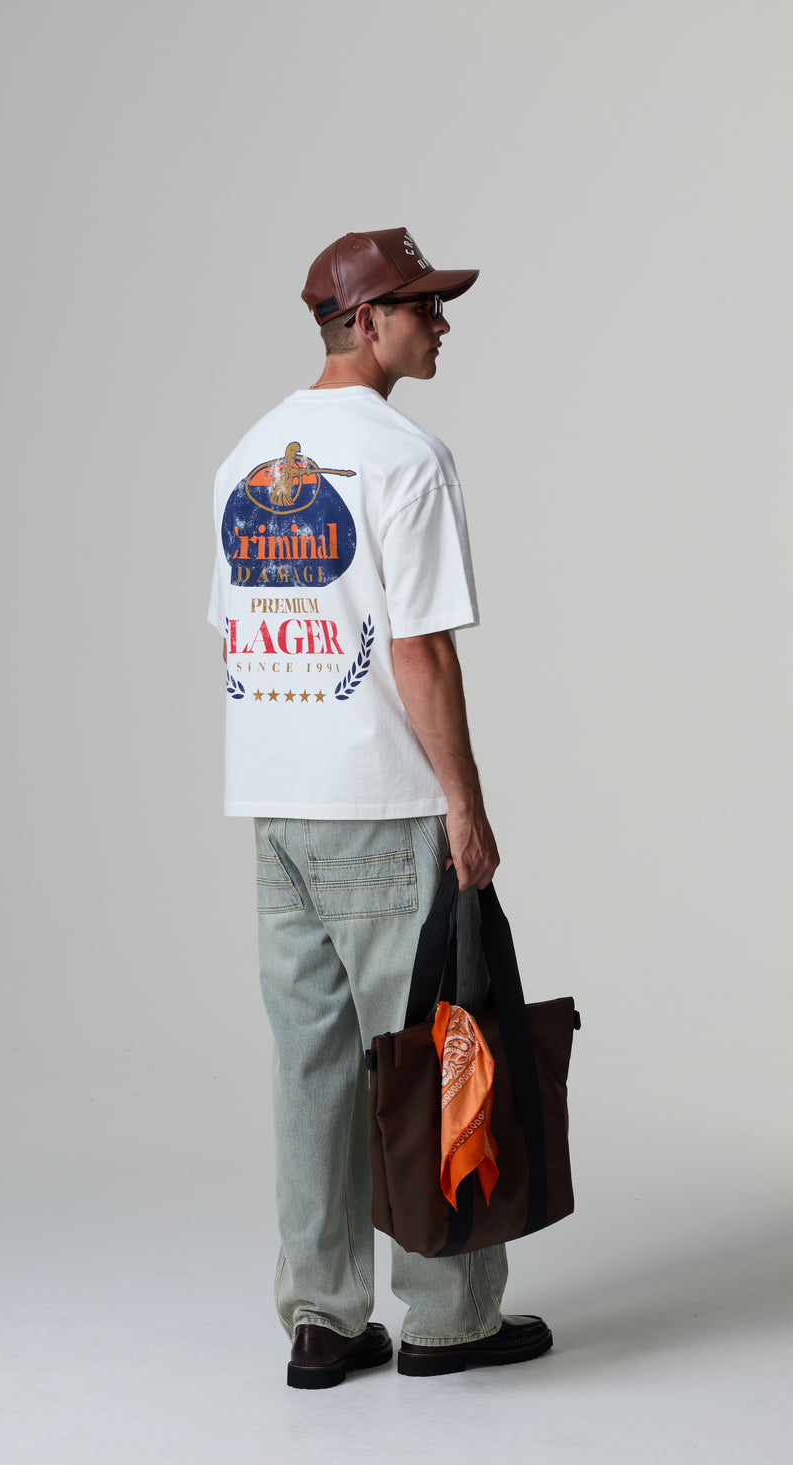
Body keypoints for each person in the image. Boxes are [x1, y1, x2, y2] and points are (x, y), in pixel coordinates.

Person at [208, 227, 552, 1387]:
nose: (442, 324)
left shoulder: (246, 459)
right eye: (424, 307)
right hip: (378, 803)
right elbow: (420, 655)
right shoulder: (402, 456)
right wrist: (465, 804)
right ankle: (450, 1316)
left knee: (310, 1063)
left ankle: (321, 1316)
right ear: (369, 323)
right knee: (432, 1051)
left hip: (275, 801)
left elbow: (234, 630)